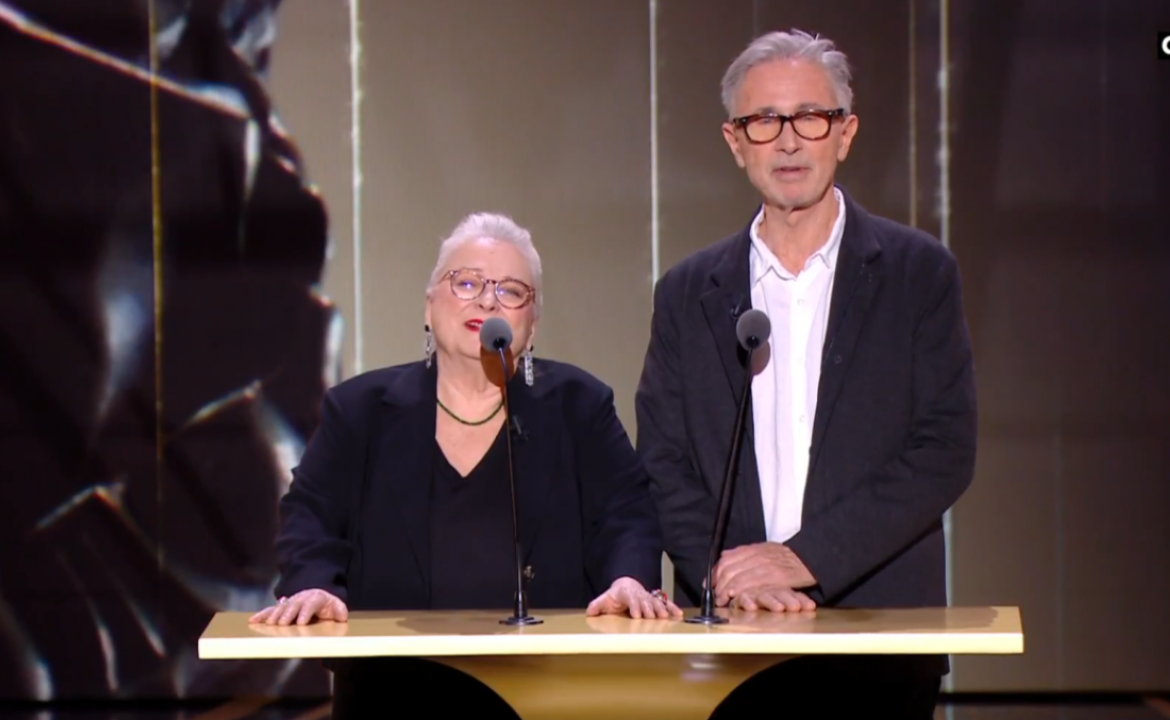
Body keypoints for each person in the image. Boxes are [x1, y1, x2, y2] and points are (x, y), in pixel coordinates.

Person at [636, 29, 977, 719]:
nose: (788, 141)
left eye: (809, 118)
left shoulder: (918, 274)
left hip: (879, 639)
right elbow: (663, 461)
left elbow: (944, 448)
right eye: (764, 121)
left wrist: (805, 558)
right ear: (735, 142)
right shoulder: (687, 291)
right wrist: (724, 574)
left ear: (844, 133)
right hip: (729, 638)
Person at [251, 212, 680, 717]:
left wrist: (628, 579)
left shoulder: (579, 405)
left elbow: (627, 511)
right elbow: (311, 515)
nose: (487, 300)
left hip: (548, 690)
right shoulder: (359, 410)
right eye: (467, 282)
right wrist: (314, 584)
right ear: (430, 305)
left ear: (532, 323)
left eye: (511, 291)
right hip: (390, 690)